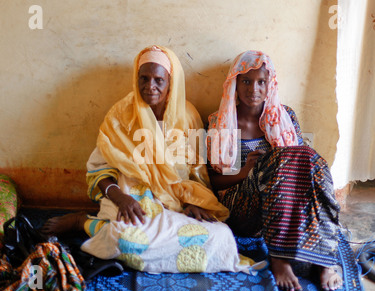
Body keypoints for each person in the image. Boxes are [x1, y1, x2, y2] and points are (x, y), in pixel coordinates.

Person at [42, 45, 266, 274]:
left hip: (174, 200)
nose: (150, 87)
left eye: (159, 80)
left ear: (171, 82)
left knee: (221, 236)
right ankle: (84, 222)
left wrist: (191, 202)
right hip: (130, 194)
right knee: (127, 240)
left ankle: (111, 232)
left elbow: (197, 173)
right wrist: (121, 199)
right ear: (136, 79)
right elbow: (99, 169)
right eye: (144, 78)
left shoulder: (187, 117)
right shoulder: (121, 115)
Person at [207, 50, 343, 291]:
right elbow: (213, 182)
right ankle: (279, 259)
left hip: (285, 205)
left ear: (271, 84)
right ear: (234, 85)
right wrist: (246, 170)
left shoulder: (285, 116)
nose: (253, 89)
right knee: (274, 163)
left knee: (315, 163)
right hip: (240, 209)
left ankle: (323, 259)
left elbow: (302, 166)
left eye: (261, 82)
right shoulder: (220, 123)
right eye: (246, 81)